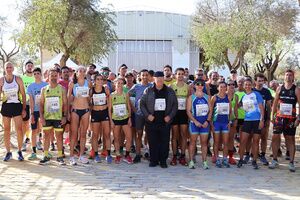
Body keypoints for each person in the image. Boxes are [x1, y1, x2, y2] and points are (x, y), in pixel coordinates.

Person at [140, 71, 178, 168]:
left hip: (165, 121)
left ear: (163, 79)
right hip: (151, 120)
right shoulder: (148, 90)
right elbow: (142, 104)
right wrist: (148, 115)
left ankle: (163, 160)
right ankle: (153, 160)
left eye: (161, 78)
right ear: (154, 79)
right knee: (152, 141)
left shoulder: (170, 91)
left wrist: (169, 116)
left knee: (164, 142)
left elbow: (175, 105)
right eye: (157, 78)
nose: (160, 80)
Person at [269, 69, 300, 172]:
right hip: (279, 117)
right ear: (284, 77)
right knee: (275, 137)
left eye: (290, 75)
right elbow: (275, 103)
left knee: (290, 139)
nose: (288, 77)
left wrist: (298, 119)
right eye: (286, 75)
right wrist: (272, 115)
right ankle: (274, 159)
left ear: (293, 77)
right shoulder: (279, 88)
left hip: (291, 119)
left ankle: (291, 162)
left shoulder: (296, 89)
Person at [39, 67, 67, 165]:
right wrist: (41, 117)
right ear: (48, 76)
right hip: (47, 117)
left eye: (56, 76)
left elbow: (65, 104)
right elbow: (41, 104)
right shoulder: (44, 89)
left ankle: (59, 156)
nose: (54, 77)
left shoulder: (62, 89)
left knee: (59, 136)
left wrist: (64, 116)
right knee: (46, 136)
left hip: (58, 117)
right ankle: (45, 156)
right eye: (52, 76)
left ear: (58, 76)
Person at [0, 62, 27, 161]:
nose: (9, 69)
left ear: (13, 68)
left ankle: (19, 151)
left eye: (10, 67)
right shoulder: (1, 80)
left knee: (19, 129)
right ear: (4, 68)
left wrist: (24, 109)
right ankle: (8, 152)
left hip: (16, 105)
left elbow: (23, 94)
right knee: (6, 130)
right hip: (6, 106)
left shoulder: (18, 79)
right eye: (7, 67)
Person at [237, 78, 264, 169]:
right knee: (243, 141)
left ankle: (254, 161)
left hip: (257, 121)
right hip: (247, 121)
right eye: (246, 85)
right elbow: (238, 106)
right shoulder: (243, 96)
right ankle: (240, 160)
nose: (247, 86)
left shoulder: (256, 94)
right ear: (244, 86)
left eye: (249, 84)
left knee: (256, 141)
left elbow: (261, 108)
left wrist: (262, 120)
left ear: (252, 85)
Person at [186, 78, 211, 169]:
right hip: (194, 124)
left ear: (203, 86)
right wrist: (195, 121)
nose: (200, 86)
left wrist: (207, 121)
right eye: (198, 84)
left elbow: (210, 111)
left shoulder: (207, 97)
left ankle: (204, 162)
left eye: (201, 84)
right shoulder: (191, 98)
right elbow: (188, 111)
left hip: (204, 124)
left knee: (204, 143)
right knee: (192, 142)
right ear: (194, 86)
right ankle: (191, 161)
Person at [68, 67, 91, 165]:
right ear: (76, 73)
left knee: (83, 134)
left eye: (83, 71)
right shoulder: (72, 83)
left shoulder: (88, 83)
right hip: (75, 110)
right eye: (80, 71)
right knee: (74, 134)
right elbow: (68, 98)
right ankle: (71, 156)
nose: (82, 72)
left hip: (85, 110)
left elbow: (90, 98)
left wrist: (88, 95)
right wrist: (68, 112)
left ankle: (81, 155)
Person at [129, 69, 152, 163]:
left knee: (149, 134)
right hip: (139, 114)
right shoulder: (136, 86)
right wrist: (133, 108)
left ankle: (148, 152)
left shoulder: (152, 86)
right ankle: (138, 154)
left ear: (149, 76)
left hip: (149, 114)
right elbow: (127, 95)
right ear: (140, 76)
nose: (145, 77)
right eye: (143, 75)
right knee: (139, 134)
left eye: (146, 75)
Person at [108, 77, 133, 164]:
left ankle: (127, 155)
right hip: (116, 119)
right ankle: (118, 155)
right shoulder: (112, 95)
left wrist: (129, 118)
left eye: (121, 83)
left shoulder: (125, 94)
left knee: (129, 138)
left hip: (125, 118)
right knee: (116, 138)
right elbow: (109, 109)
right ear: (115, 84)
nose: (119, 85)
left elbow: (128, 107)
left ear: (123, 84)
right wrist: (111, 121)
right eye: (118, 83)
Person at [90, 73, 113, 163]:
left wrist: (108, 112)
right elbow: (89, 103)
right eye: (97, 79)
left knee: (107, 134)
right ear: (95, 81)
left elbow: (109, 102)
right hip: (95, 114)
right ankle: (96, 154)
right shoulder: (91, 90)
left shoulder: (106, 89)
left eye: (101, 79)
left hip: (104, 113)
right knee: (95, 135)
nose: (99, 81)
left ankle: (108, 154)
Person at [170, 68, 190, 166]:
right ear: (175, 75)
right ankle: (174, 156)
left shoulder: (188, 87)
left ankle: (182, 156)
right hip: (174, 113)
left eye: (182, 74)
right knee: (174, 135)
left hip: (184, 113)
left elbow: (189, 100)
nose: (180, 76)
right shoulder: (171, 86)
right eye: (179, 74)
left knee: (183, 135)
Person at [27, 68, 48, 160]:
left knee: (45, 131)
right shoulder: (31, 86)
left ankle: (46, 151)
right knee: (34, 130)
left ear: (41, 74)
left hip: (45, 111)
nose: (36, 75)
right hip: (35, 111)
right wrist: (31, 114)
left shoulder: (46, 85)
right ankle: (33, 151)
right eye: (34, 73)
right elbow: (31, 100)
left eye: (38, 73)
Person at [210, 81, 231, 168]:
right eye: (221, 87)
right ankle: (217, 158)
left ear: (226, 88)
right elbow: (210, 111)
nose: (222, 88)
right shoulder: (214, 97)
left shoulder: (228, 97)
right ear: (218, 88)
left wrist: (230, 122)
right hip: (216, 122)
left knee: (226, 142)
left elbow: (230, 111)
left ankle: (225, 159)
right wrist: (211, 123)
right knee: (216, 142)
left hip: (225, 122)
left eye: (224, 87)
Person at [253, 73, 272, 166]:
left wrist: (268, 118)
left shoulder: (267, 92)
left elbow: (269, 106)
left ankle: (263, 155)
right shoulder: (251, 91)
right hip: (253, 118)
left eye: (262, 81)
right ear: (255, 81)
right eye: (258, 80)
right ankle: (253, 155)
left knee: (264, 137)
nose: (260, 83)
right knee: (254, 138)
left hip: (263, 118)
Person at [21, 60, 35, 151]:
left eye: (31, 66)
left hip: (34, 103)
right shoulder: (21, 78)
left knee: (34, 123)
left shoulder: (35, 77)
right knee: (25, 123)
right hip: (25, 103)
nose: (30, 67)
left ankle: (36, 142)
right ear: (25, 67)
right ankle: (24, 141)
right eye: (28, 65)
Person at [227, 79, 239, 165]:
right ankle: (215, 155)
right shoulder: (222, 95)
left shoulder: (236, 96)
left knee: (231, 138)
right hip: (223, 120)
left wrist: (236, 119)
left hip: (232, 119)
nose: (231, 86)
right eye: (229, 84)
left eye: (233, 84)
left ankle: (230, 157)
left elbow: (235, 109)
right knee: (220, 138)